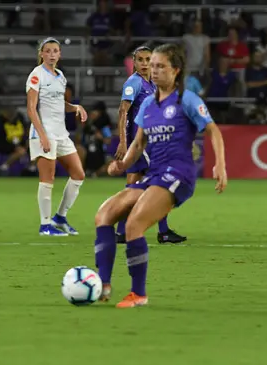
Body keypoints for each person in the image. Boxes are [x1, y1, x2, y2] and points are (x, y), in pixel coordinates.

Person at [94, 44, 227, 308]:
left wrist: (220, 165)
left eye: (160, 66)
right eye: (151, 65)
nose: (153, 70)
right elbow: (138, 145)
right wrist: (121, 165)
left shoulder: (187, 99)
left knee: (133, 225)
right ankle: (103, 285)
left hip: (178, 175)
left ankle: (138, 294)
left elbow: (214, 131)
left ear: (176, 70)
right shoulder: (147, 104)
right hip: (154, 175)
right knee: (104, 214)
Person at [115, 45, 187, 245]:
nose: (145, 64)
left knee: (133, 185)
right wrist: (123, 141)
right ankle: (163, 232)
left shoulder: (151, 84)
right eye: (140, 60)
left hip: (148, 142)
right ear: (134, 62)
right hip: (141, 144)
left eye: (148, 60)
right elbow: (123, 112)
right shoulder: (134, 83)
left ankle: (121, 232)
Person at [26, 37, 88, 236]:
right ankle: (45, 225)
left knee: (78, 174)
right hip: (43, 133)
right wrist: (42, 135)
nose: (52, 54)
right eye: (48, 51)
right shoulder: (36, 75)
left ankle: (59, 217)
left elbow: (59, 103)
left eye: (55, 51)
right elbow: (31, 108)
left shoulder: (60, 76)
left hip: (61, 134)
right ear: (41, 54)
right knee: (48, 178)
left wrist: (75, 107)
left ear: (59, 54)